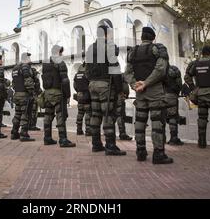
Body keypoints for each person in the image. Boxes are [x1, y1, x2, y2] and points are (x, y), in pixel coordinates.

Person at [124, 26, 173, 164]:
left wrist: (135, 85)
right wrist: (146, 83)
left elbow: (127, 73)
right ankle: (158, 154)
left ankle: (140, 152)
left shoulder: (133, 52)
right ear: (153, 37)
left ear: (142, 38)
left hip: (140, 93)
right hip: (155, 91)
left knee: (140, 122)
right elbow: (161, 69)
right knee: (157, 123)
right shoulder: (158, 49)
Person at [85, 25, 126, 156]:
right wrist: (120, 89)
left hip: (92, 84)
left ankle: (96, 144)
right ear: (106, 34)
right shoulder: (109, 46)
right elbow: (114, 68)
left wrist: (91, 82)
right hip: (105, 85)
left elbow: (87, 69)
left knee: (95, 114)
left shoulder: (91, 48)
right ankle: (110, 146)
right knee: (108, 114)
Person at [42, 45, 76, 147]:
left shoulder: (45, 64)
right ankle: (63, 139)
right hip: (58, 93)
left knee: (48, 116)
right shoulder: (60, 63)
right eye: (61, 52)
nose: (62, 54)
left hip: (47, 93)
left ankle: (47, 138)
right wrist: (68, 95)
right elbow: (65, 80)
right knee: (60, 116)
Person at [11, 52, 35, 141]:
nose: (30, 59)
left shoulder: (15, 68)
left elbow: (13, 83)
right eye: (29, 57)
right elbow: (28, 80)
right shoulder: (25, 67)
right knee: (25, 114)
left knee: (17, 114)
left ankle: (14, 132)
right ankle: (24, 134)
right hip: (24, 95)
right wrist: (31, 92)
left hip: (17, 94)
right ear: (26, 58)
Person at [164, 65, 184, 145]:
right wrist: (176, 93)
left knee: (160, 117)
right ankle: (173, 138)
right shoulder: (174, 69)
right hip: (171, 95)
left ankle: (161, 139)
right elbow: (179, 84)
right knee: (172, 116)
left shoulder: (157, 69)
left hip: (159, 95)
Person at [73, 61, 92, 136]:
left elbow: (74, 85)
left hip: (79, 95)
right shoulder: (88, 74)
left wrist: (78, 91)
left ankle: (79, 130)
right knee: (88, 113)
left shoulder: (77, 74)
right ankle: (88, 130)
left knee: (80, 113)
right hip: (87, 95)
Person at [29, 67, 41, 131]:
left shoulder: (29, 79)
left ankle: (29, 125)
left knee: (30, 112)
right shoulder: (35, 80)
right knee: (33, 112)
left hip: (30, 97)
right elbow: (38, 89)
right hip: (34, 97)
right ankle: (32, 125)